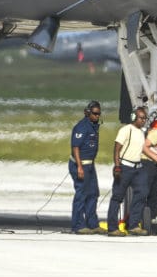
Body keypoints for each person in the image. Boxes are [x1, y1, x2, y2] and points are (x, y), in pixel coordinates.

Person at [106, 107, 149, 237]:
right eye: (141, 118)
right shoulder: (126, 130)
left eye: (145, 118)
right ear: (134, 118)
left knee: (142, 192)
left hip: (137, 168)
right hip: (125, 167)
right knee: (117, 197)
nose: (143, 120)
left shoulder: (142, 132)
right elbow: (117, 149)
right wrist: (117, 166)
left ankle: (133, 225)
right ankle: (112, 228)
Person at [68, 100, 102, 234]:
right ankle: (77, 225)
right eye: (94, 114)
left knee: (93, 193)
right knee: (81, 194)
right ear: (88, 113)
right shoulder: (81, 127)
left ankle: (92, 223)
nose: (97, 116)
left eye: (99, 114)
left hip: (90, 165)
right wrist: (80, 167)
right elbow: (75, 147)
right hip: (80, 164)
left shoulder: (94, 126)